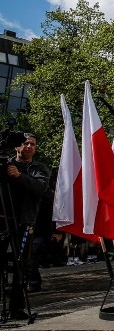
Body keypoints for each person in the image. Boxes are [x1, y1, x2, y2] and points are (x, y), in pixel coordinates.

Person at [1, 133, 50, 320]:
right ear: (16, 147)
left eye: (32, 144)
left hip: (24, 222)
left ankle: (17, 308)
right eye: (25, 143)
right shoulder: (5, 165)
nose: (29, 146)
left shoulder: (39, 168)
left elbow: (40, 188)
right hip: (3, 220)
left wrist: (19, 176)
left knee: (21, 266)